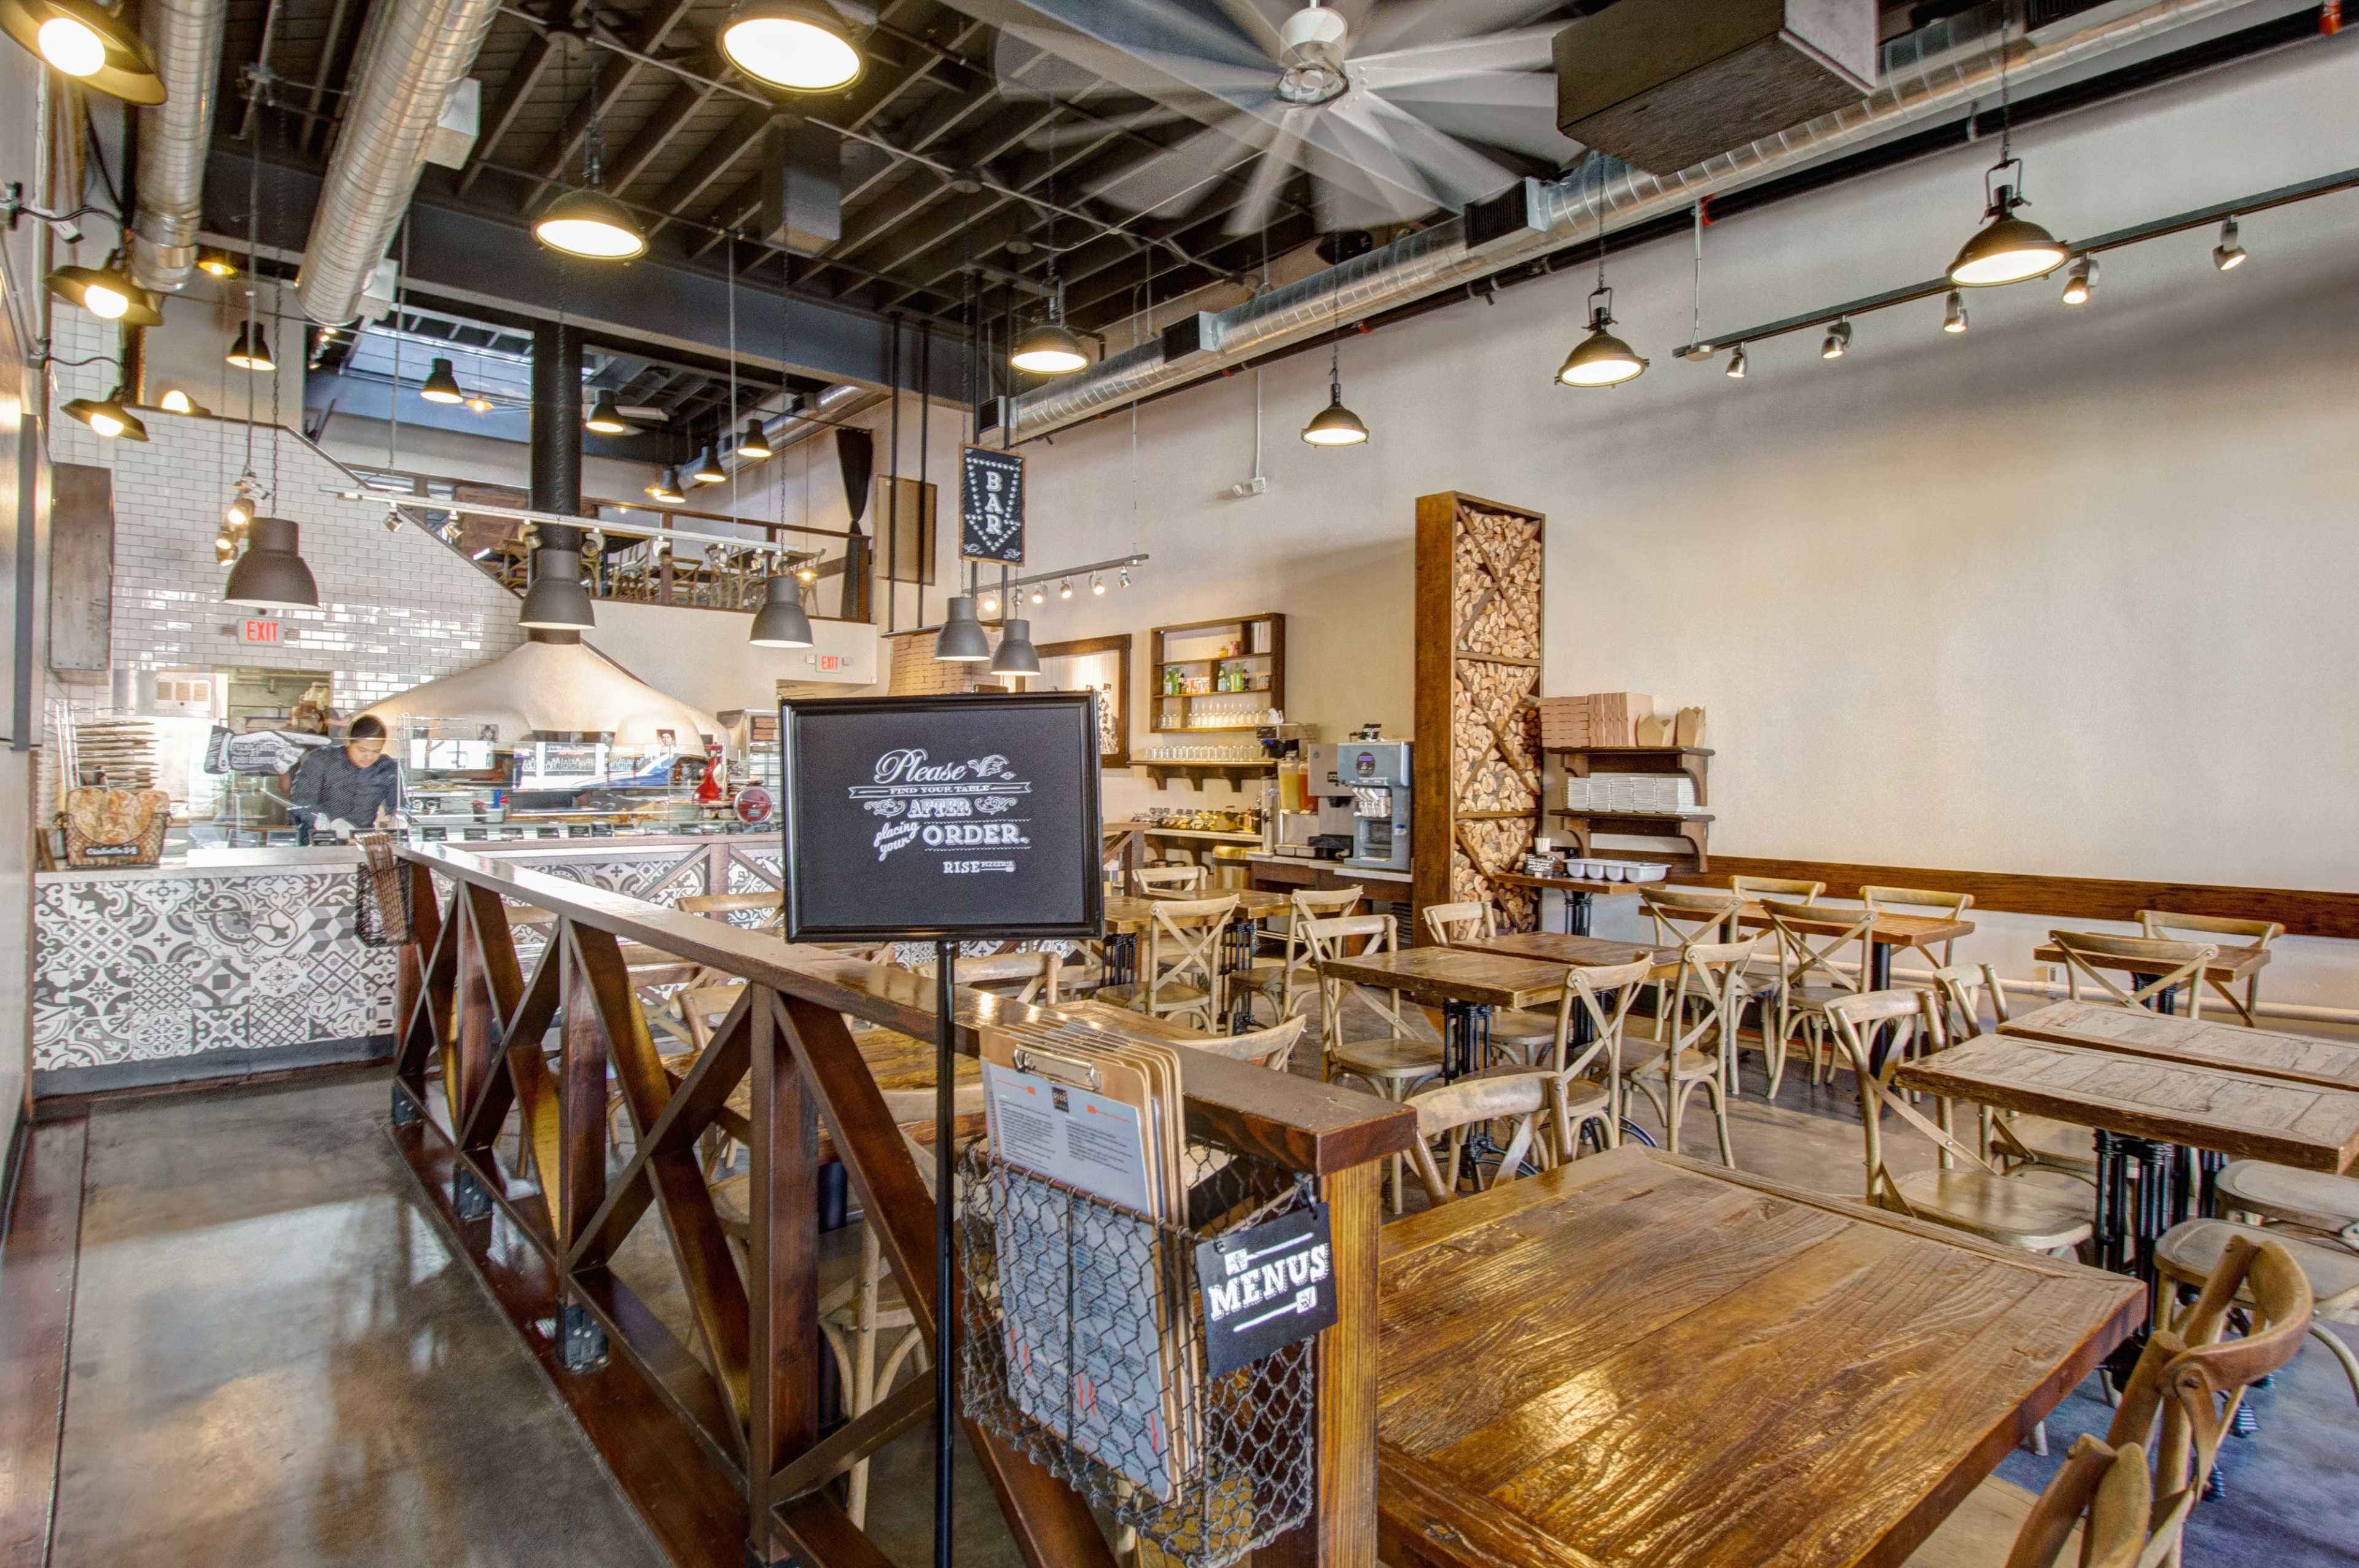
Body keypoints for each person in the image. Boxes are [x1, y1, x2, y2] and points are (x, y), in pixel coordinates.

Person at [289, 716, 405, 843]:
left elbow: (400, 805)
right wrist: (317, 819)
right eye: (362, 750)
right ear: (348, 742)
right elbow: (300, 800)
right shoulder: (321, 759)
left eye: (376, 751)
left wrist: (400, 817)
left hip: (361, 842)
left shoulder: (387, 768)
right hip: (317, 841)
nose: (369, 757)